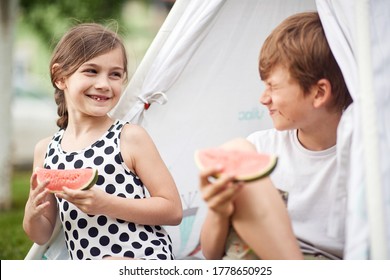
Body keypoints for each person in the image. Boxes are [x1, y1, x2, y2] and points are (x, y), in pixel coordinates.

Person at [199, 11, 353, 260]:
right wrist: (219, 211)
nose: (263, 98)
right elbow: (210, 254)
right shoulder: (259, 147)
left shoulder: (368, 160)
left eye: (273, 86)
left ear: (319, 93)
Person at [23, 23, 183, 260]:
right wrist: (33, 213)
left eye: (115, 74)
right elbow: (41, 235)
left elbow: (173, 210)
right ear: (60, 77)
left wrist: (105, 204)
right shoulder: (46, 151)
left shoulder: (129, 137)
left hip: (142, 259)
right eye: (91, 71)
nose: (104, 84)